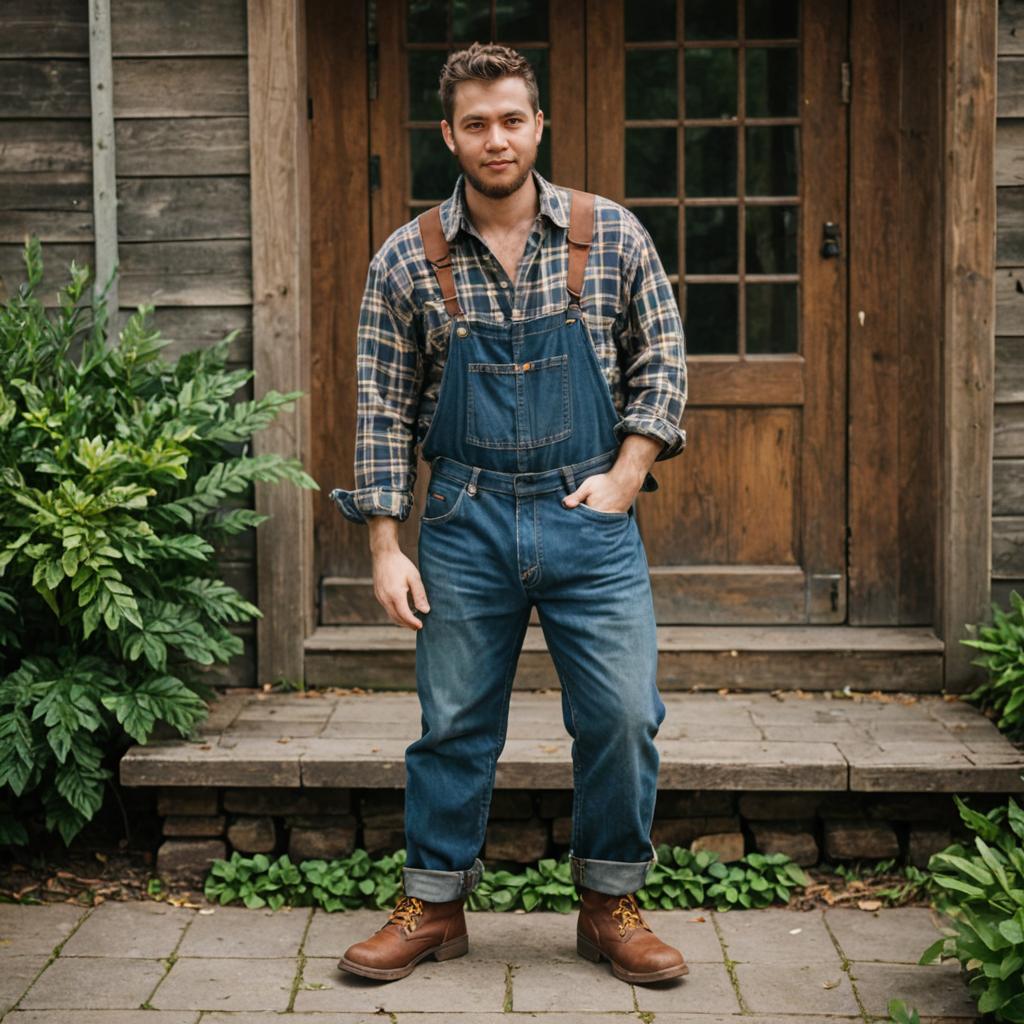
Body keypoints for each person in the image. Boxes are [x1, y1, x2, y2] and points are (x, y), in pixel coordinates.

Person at [329, 41, 688, 985]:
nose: (497, 139)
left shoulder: (612, 235)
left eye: (513, 119)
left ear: (540, 124)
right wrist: (383, 542)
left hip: (589, 517)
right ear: (449, 133)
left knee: (620, 715)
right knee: (452, 723)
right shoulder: (407, 257)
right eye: (477, 123)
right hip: (464, 520)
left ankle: (610, 904)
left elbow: (664, 362)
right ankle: (434, 907)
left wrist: (625, 474)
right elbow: (380, 406)